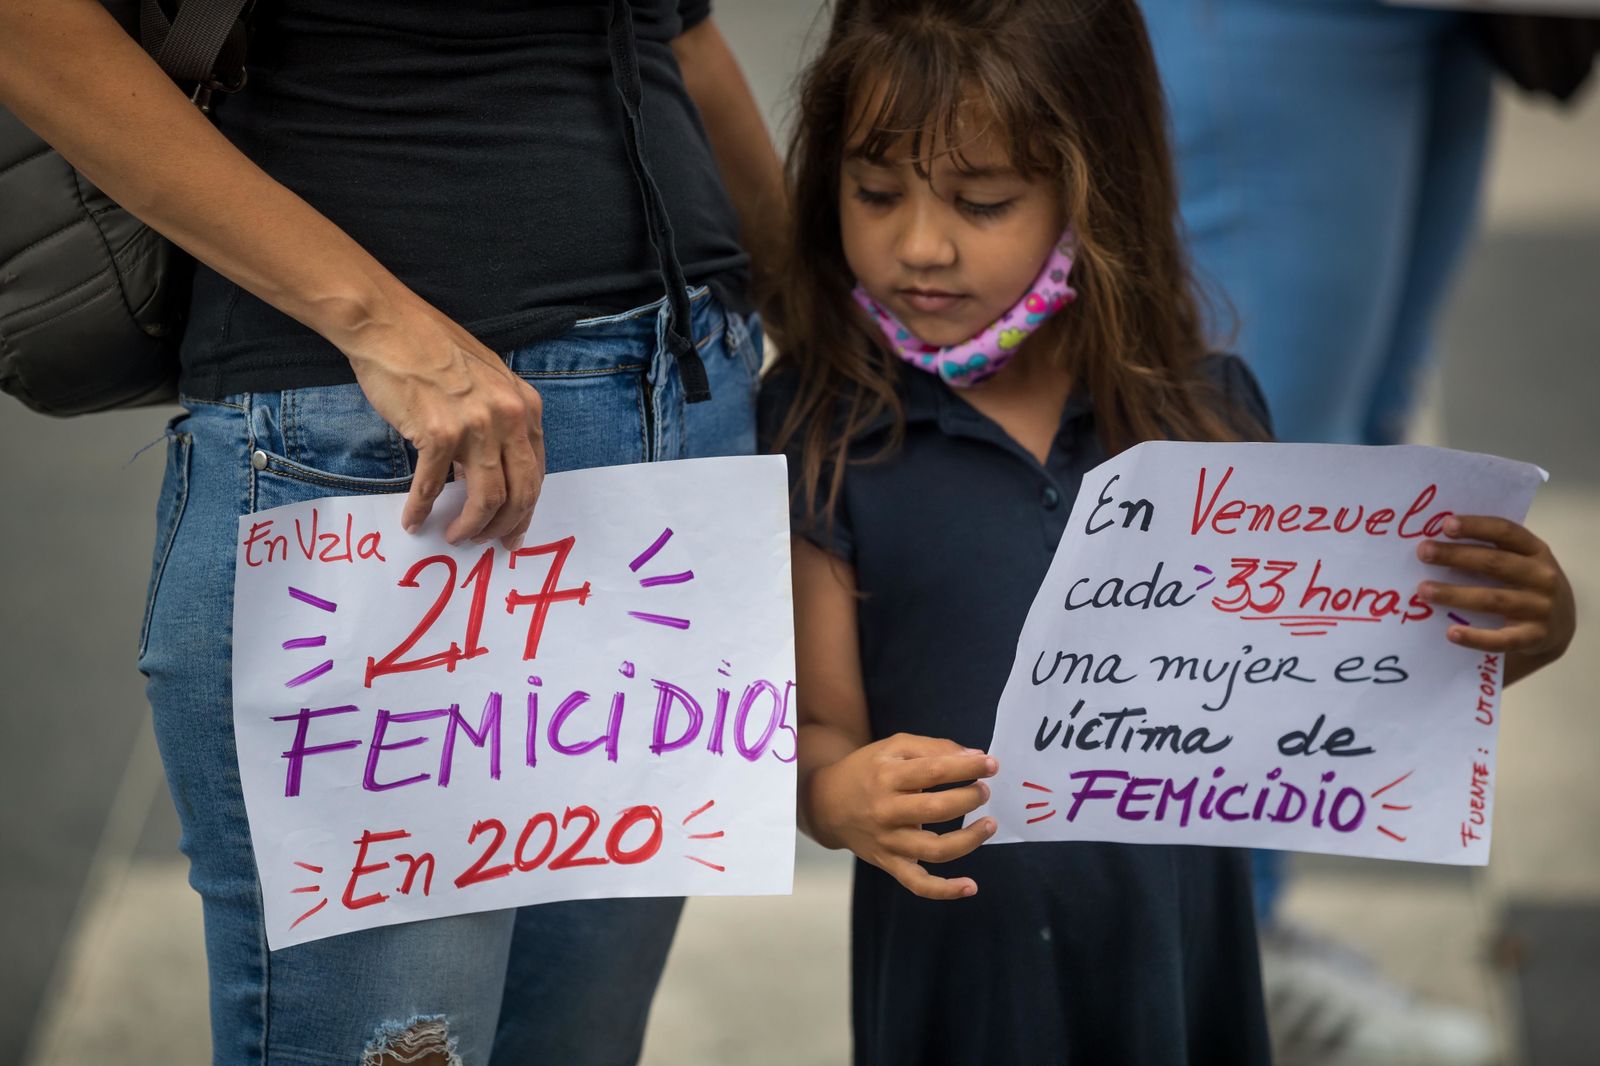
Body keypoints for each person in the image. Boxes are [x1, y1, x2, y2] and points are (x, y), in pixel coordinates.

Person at [758, 1, 1577, 1064]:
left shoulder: (1200, 416)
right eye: (874, 193)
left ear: (1091, 190)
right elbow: (815, 730)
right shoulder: (827, 429)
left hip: (1180, 959)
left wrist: (1525, 632)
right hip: (965, 971)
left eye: (982, 200)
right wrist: (834, 794)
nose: (919, 243)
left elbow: (1329, 689)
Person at [0, 0, 782, 1062]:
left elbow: (676, 27)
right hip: (384, 438)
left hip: (682, 406)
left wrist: (826, 314)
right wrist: (377, 321)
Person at [1138, 3, 1505, 1060]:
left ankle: (1248, 940)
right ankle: (1219, 964)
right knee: (1271, 504)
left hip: (1456, 18)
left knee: (1364, 469)